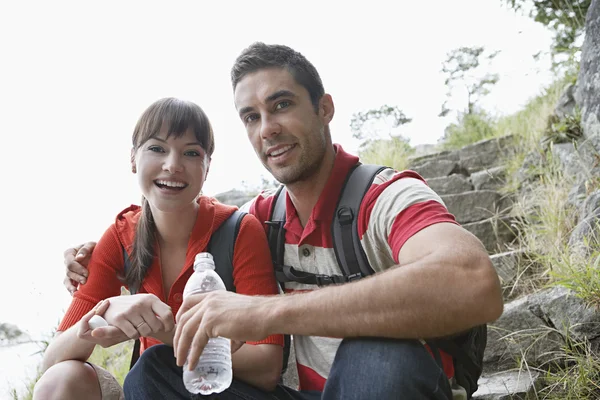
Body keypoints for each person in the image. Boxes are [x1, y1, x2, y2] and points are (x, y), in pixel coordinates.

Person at [64, 43, 504, 400]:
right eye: (251, 117)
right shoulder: (260, 220)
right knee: (155, 371)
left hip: (397, 384)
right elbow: (188, 215)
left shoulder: (384, 197)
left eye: (282, 105)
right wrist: (104, 255)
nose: (267, 128)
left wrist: (267, 311)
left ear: (324, 109)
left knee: (374, 353)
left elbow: (473, 283)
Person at [38, 97, 284, 400]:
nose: (173, 165)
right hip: (151, 390)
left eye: (191, 153)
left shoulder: (238, 231)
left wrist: (158, 328)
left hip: (224, 390)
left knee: (150, 365)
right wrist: (106, 313)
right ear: (132, 159)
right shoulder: (120, 237)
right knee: (61, 380)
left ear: (207, 168)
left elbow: (267, 366)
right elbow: (51, 362)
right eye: (157, 148)